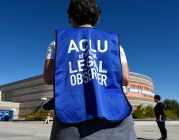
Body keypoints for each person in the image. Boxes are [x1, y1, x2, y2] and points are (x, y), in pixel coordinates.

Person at [43, 0, 137, 139]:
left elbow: (49, 78)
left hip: (71, 115)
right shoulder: (114, 43)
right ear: (96, 18)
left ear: (71, 17)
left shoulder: (58, 43)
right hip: (115, 115)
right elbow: (125, 78)